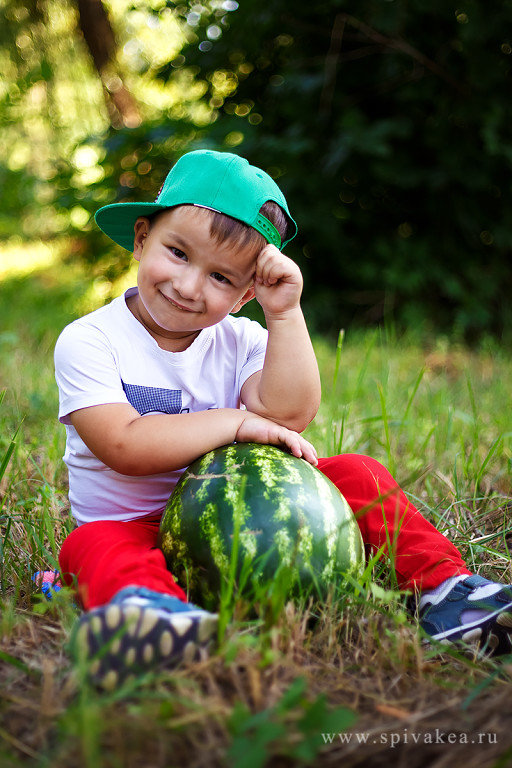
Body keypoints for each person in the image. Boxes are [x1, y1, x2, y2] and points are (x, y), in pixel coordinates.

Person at [54, 149, 512, 689]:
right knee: (87, 546)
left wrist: (284, 313)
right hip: (134, 530)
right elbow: (123, 445)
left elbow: (288, 413)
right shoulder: (90, 340)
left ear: (247, 293)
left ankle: (447, 591)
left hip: (246, 528)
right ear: (141, 238)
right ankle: (154, 617)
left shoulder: (244, 339)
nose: (189, 285)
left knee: (357, 473)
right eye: (177, 253)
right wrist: (236, 423)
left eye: (222, 277)